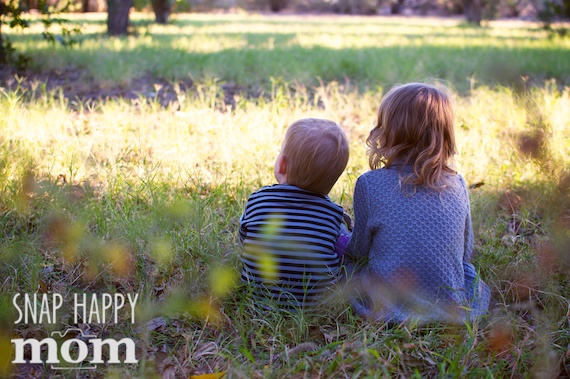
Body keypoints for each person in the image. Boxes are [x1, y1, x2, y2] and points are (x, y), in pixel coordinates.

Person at [346, 82, 490, 324]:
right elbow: (465, 254)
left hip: (388, 303)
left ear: (388, 131)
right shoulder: (458, 183)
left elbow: (358, 251)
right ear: (444, 135)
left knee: (348, 271)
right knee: (467, 275)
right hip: (450, 302)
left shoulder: (370, 184)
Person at [239, 118, 350, 310]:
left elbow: (244, 239)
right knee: (344, 242)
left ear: (281, 165)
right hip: (315, 305)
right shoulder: (332, 214)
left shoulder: (258, 199)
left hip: (256, 298)